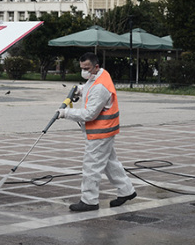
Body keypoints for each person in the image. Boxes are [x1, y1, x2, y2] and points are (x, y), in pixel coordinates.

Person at [57, 52, 136, 212]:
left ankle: (89, 201)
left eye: (87, 68)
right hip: (104, 131)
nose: (84, 71)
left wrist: (66, 113)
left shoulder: (100, 87)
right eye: (82, 68)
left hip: (99, 132)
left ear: (96, 66)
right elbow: (90, 87)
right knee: (110, 163)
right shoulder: (101, 75)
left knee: (91, 167)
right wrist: (80, 90)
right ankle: (127, 191)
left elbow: (89, 114)